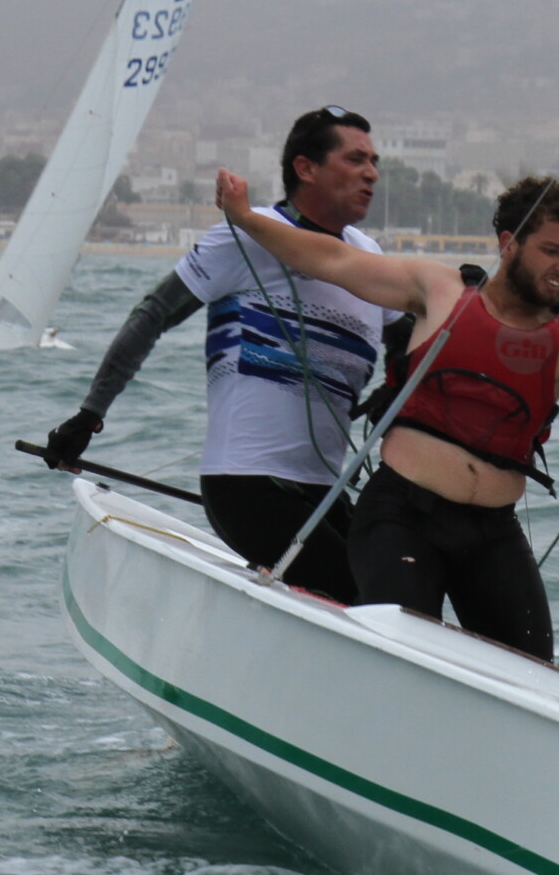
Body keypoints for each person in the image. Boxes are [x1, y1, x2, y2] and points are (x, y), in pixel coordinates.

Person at [208, 168, 559, 662]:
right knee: (404, 654)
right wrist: (244, 217)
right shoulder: (441, 290)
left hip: (492, 533)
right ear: (509, 244)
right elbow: (331, 259)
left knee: (533, 670)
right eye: (551, 251)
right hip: (401, 516)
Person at [41, 106, 391, 604]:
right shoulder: (244, 236)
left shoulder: (368, 256)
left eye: (374, 161)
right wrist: (90, 414)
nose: (371, 173)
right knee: (358, 594)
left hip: (323, 487)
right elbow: (153, 315)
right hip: (246, 484)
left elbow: (412, 339)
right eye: (356, 159)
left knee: (391, 597)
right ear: (306, 168)